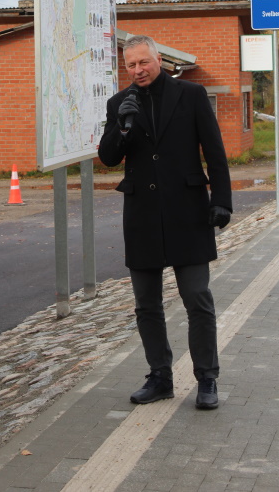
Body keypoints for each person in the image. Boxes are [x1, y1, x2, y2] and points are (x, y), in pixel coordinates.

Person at [98, 35, 232, 410]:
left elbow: (215, 150)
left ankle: (207, 378)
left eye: (144, 62)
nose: (138, 70)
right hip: (142, 216)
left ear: (159, 60)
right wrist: (123, 127)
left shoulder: (191, 95)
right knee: (146, 305)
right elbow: (108, 157)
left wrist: (222, 200)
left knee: (197, 298)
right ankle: (160, 376)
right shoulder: (119, 103)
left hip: (188, 212)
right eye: (131, 65)